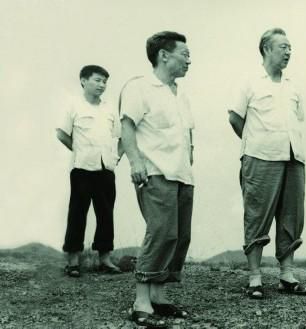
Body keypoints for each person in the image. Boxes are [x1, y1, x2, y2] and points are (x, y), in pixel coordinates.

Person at [228, 28, 306, 299]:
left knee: (292, 215)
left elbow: (298, 120)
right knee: (257, 214)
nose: (289, 52)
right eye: (283, 47)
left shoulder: (294, 85)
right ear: (266, 49)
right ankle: (255, 277)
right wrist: (256, 143)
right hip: (260, 157)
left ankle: (287, 274)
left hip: (293, 158)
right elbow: (235, 118)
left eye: (290, 48)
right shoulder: (250, 82)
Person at [120, 31, 194, 328]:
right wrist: (135, 161)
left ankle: (159, 296)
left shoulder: (181, 95)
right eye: (184, 54)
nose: (190, 60)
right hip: (154, 171)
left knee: (179, 236)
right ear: (164, 55)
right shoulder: (140, 88)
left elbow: (188, 133)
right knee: (161, 231)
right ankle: (140, 300)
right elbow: (127, 127)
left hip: (182, 173)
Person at [56, 65, 123, 278]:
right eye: (97, 80)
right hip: (82, 167)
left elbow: (121, 137)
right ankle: (73, 261)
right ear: (83, 81)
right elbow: (61, 133)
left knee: (105, 212)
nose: (101, 85)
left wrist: (115, 157)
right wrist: (78, 150)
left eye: (104, 81)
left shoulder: (110, 108)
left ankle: (105, 258)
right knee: (78, 212)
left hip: (105, 168)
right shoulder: (73, 105)